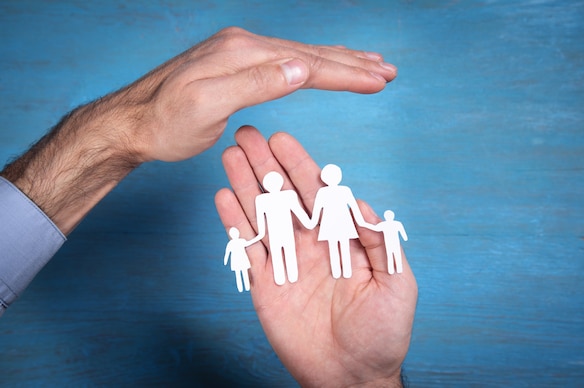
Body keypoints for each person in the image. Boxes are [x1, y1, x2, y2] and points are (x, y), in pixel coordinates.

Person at [0, 27, 417, 386]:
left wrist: (363, 382)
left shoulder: (319, 198)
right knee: (286, 259)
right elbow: (301, 219)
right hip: (306, 236)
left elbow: (321, 214)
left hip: (327, 235)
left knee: (307, 257)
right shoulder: (291, 202)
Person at [308, 164, 372, 279]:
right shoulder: (339, 191)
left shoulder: (328, 192)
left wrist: (362, 222)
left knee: (337, 247)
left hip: (338, 223)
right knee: (340, 246)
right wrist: (310, 223)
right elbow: (317, 211)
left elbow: (354, 206)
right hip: (336, 223)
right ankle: (340, 271)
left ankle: (342, 271)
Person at [254, 171, 311, 285]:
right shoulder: (265, 199)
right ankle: (286, 277)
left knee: (280, 254)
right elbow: (299, 213)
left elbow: (299, 212)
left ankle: (287, 277)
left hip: (281, 233)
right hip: (279, 233)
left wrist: (309, 223)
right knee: (283, 254)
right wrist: (310, 223)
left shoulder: (264, 199)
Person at [223, 226, 256, 292]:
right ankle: (241, 288)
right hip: (236, 260)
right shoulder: (231, 243)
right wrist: (225, 260)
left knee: (244, 273)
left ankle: (247, 287)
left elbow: (249, 243)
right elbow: (227, 253)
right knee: (238, 274)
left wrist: (256, 239)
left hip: (242, 259)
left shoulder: (241, 241)